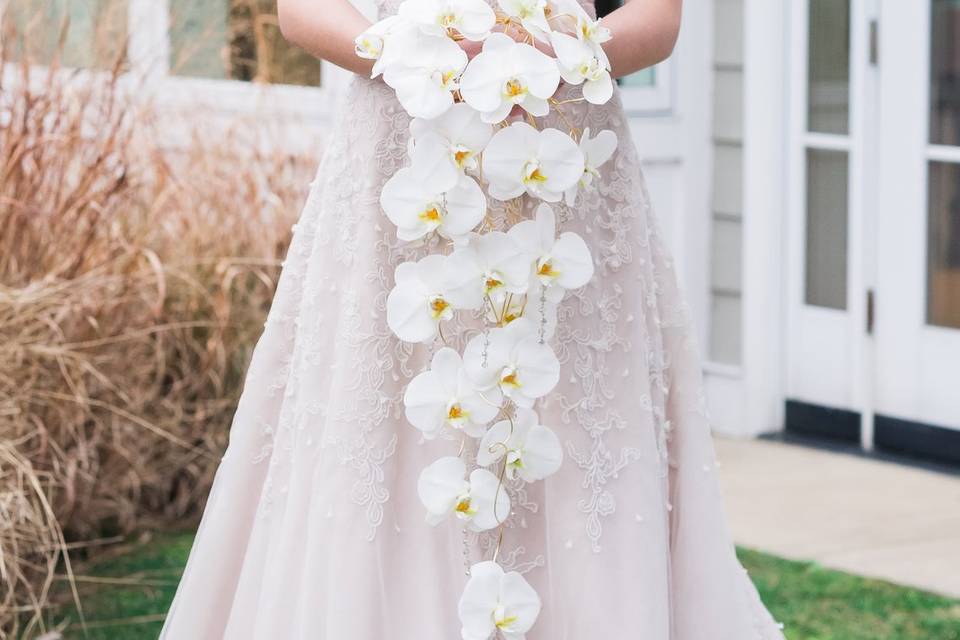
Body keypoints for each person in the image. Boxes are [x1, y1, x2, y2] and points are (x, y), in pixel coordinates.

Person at [160, 0, 786, 637]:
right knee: (394, 421)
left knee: (573, 423)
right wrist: (419, 60)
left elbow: (657, 22)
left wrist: (549, 64)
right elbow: (302, 12)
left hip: (559, 159)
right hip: (403, 150)